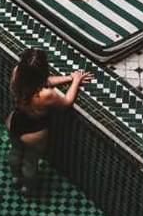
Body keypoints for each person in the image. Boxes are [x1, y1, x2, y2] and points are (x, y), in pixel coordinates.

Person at [6, 48, 93, 196]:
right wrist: (76, 81)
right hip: (33, 133)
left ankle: (16, 178)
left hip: (14, 121)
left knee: (15, 151)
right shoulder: (46, 95)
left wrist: (69, 77)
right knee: (30, 162)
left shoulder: (17, 75)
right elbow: (66, 103)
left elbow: (42, 81)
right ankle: (27, 188)